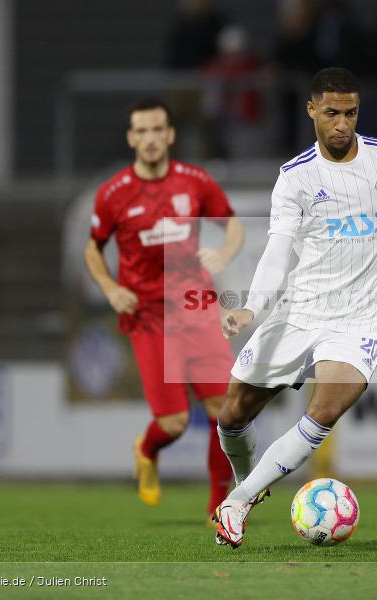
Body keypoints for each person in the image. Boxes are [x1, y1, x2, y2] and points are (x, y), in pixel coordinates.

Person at [211, 67, 377, 548]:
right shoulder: (296, 178)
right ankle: (249, 482)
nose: (342, 124)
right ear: (311, 110)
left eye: (350, 113)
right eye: (331, 113)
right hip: (301, 310)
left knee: (324, 409)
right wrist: (252, 307)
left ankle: (237, 502)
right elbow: (279, 248)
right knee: (233, 414)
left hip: (362, 319)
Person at [84, 98, 243, 521]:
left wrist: (224, 255)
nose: (151, 139)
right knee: (173, 422)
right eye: (142, 131)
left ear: (170, 135)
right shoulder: (114, 193)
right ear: (131, 138)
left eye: (158, 130)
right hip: (147, 314)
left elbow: (233, 224)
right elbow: (93, 250)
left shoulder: (194, 182)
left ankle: (218, 504)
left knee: (223, 410)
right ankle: (147, 448)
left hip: (195, 305)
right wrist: (110, 288)